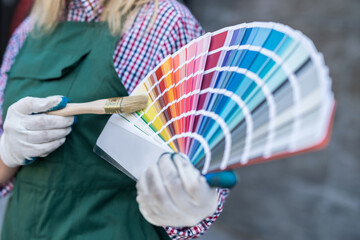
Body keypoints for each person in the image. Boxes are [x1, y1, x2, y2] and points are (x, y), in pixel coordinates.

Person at [0, 0, 229, 239]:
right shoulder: (30, 29)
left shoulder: (166, 23)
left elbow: (202, 162)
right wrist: (8, 151)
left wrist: (193, 202)